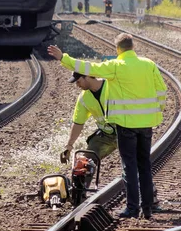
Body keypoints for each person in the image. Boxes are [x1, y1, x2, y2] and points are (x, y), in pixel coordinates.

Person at [48, 32, 166, 219]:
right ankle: (148, 208)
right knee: (144, 165)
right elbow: (161, 89)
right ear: (132, 47)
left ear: (118, 49)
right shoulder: (148, 64)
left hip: (126, 125)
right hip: (146, 124)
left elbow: (88, 67)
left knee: (129, 166)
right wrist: (156, 109)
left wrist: (63, 57)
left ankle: (133, 209)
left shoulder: (116, 66)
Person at [61, 70, 160, 210]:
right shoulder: (84, 98)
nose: (77, 85)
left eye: (78, 81)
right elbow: (78, 123)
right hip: (106, 136)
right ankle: (79, 197)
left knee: (133, 165)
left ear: (88, 76)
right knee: (84, 160)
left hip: (127, 131)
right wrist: (69, 145)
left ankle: (150, 200)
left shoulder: (113, 86)